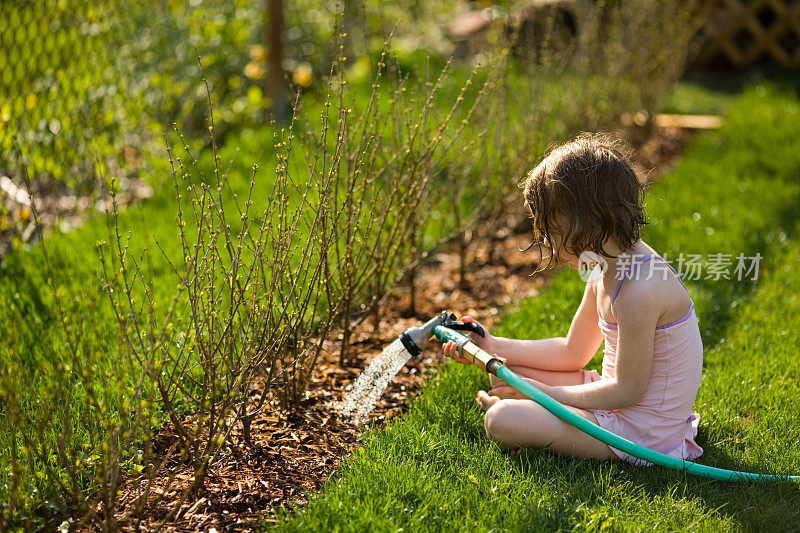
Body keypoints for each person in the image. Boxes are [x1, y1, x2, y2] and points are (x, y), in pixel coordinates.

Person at [442, 133, 703, 465]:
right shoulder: (604, 264)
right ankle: (532, 414)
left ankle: (526, 418)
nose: (544, 239)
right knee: (506, 371)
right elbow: (573, 351)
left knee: (501, 420)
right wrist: (493, 346)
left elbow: (627, 391)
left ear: (584, 220)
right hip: (616, 404)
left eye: (548, 226)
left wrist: (541, 395)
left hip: (642, 434)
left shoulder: (641, 290)